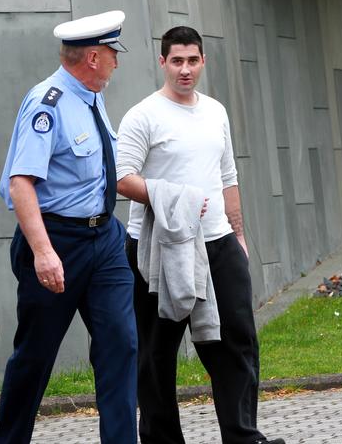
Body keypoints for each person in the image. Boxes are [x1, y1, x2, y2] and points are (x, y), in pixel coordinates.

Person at [116, 26, 284, 444]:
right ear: (162, 62)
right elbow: (122, 179)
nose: (185, 69)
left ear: (203, 61)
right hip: (156, 247)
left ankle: (243, 437)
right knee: (156, 356)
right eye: (177, 61)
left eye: (193, 61)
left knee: (237, 344)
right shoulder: (143, 115)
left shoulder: (215, 111)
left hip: (218, 243)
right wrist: (178, 198)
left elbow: (228, 175)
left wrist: (238, 235)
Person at [0, 11, 138, 444]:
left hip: (104, 239)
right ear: (93, 57)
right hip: (57, 240)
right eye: (113, 52)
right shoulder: (48, 103)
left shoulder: (92, 96)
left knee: (121, 343)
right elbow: (21, 184)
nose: (117, 60)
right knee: (35, 357)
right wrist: (42, 251)